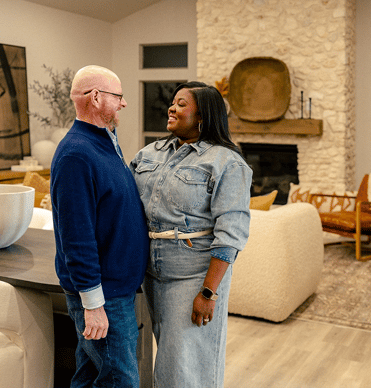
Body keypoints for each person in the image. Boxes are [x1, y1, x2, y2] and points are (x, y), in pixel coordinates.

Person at [130, 81, 252, 387]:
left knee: (184, 368)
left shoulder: (226, 162)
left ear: (202, 116)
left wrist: (208, 292)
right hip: (146, 271)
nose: (172, 107)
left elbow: (231, 234)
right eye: (173, 102)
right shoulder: (149, 153)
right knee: (161, 359)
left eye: (182, 104)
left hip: (192, 276)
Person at [51, 65, 149, 387]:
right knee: (121, 380)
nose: (123, 103)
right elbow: (76, 236)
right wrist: (93, 306)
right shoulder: (77, 154)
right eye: (118, 96)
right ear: (96, 97)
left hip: (116, 288)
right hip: (103, 296)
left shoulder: (105, 142)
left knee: (90, 374)